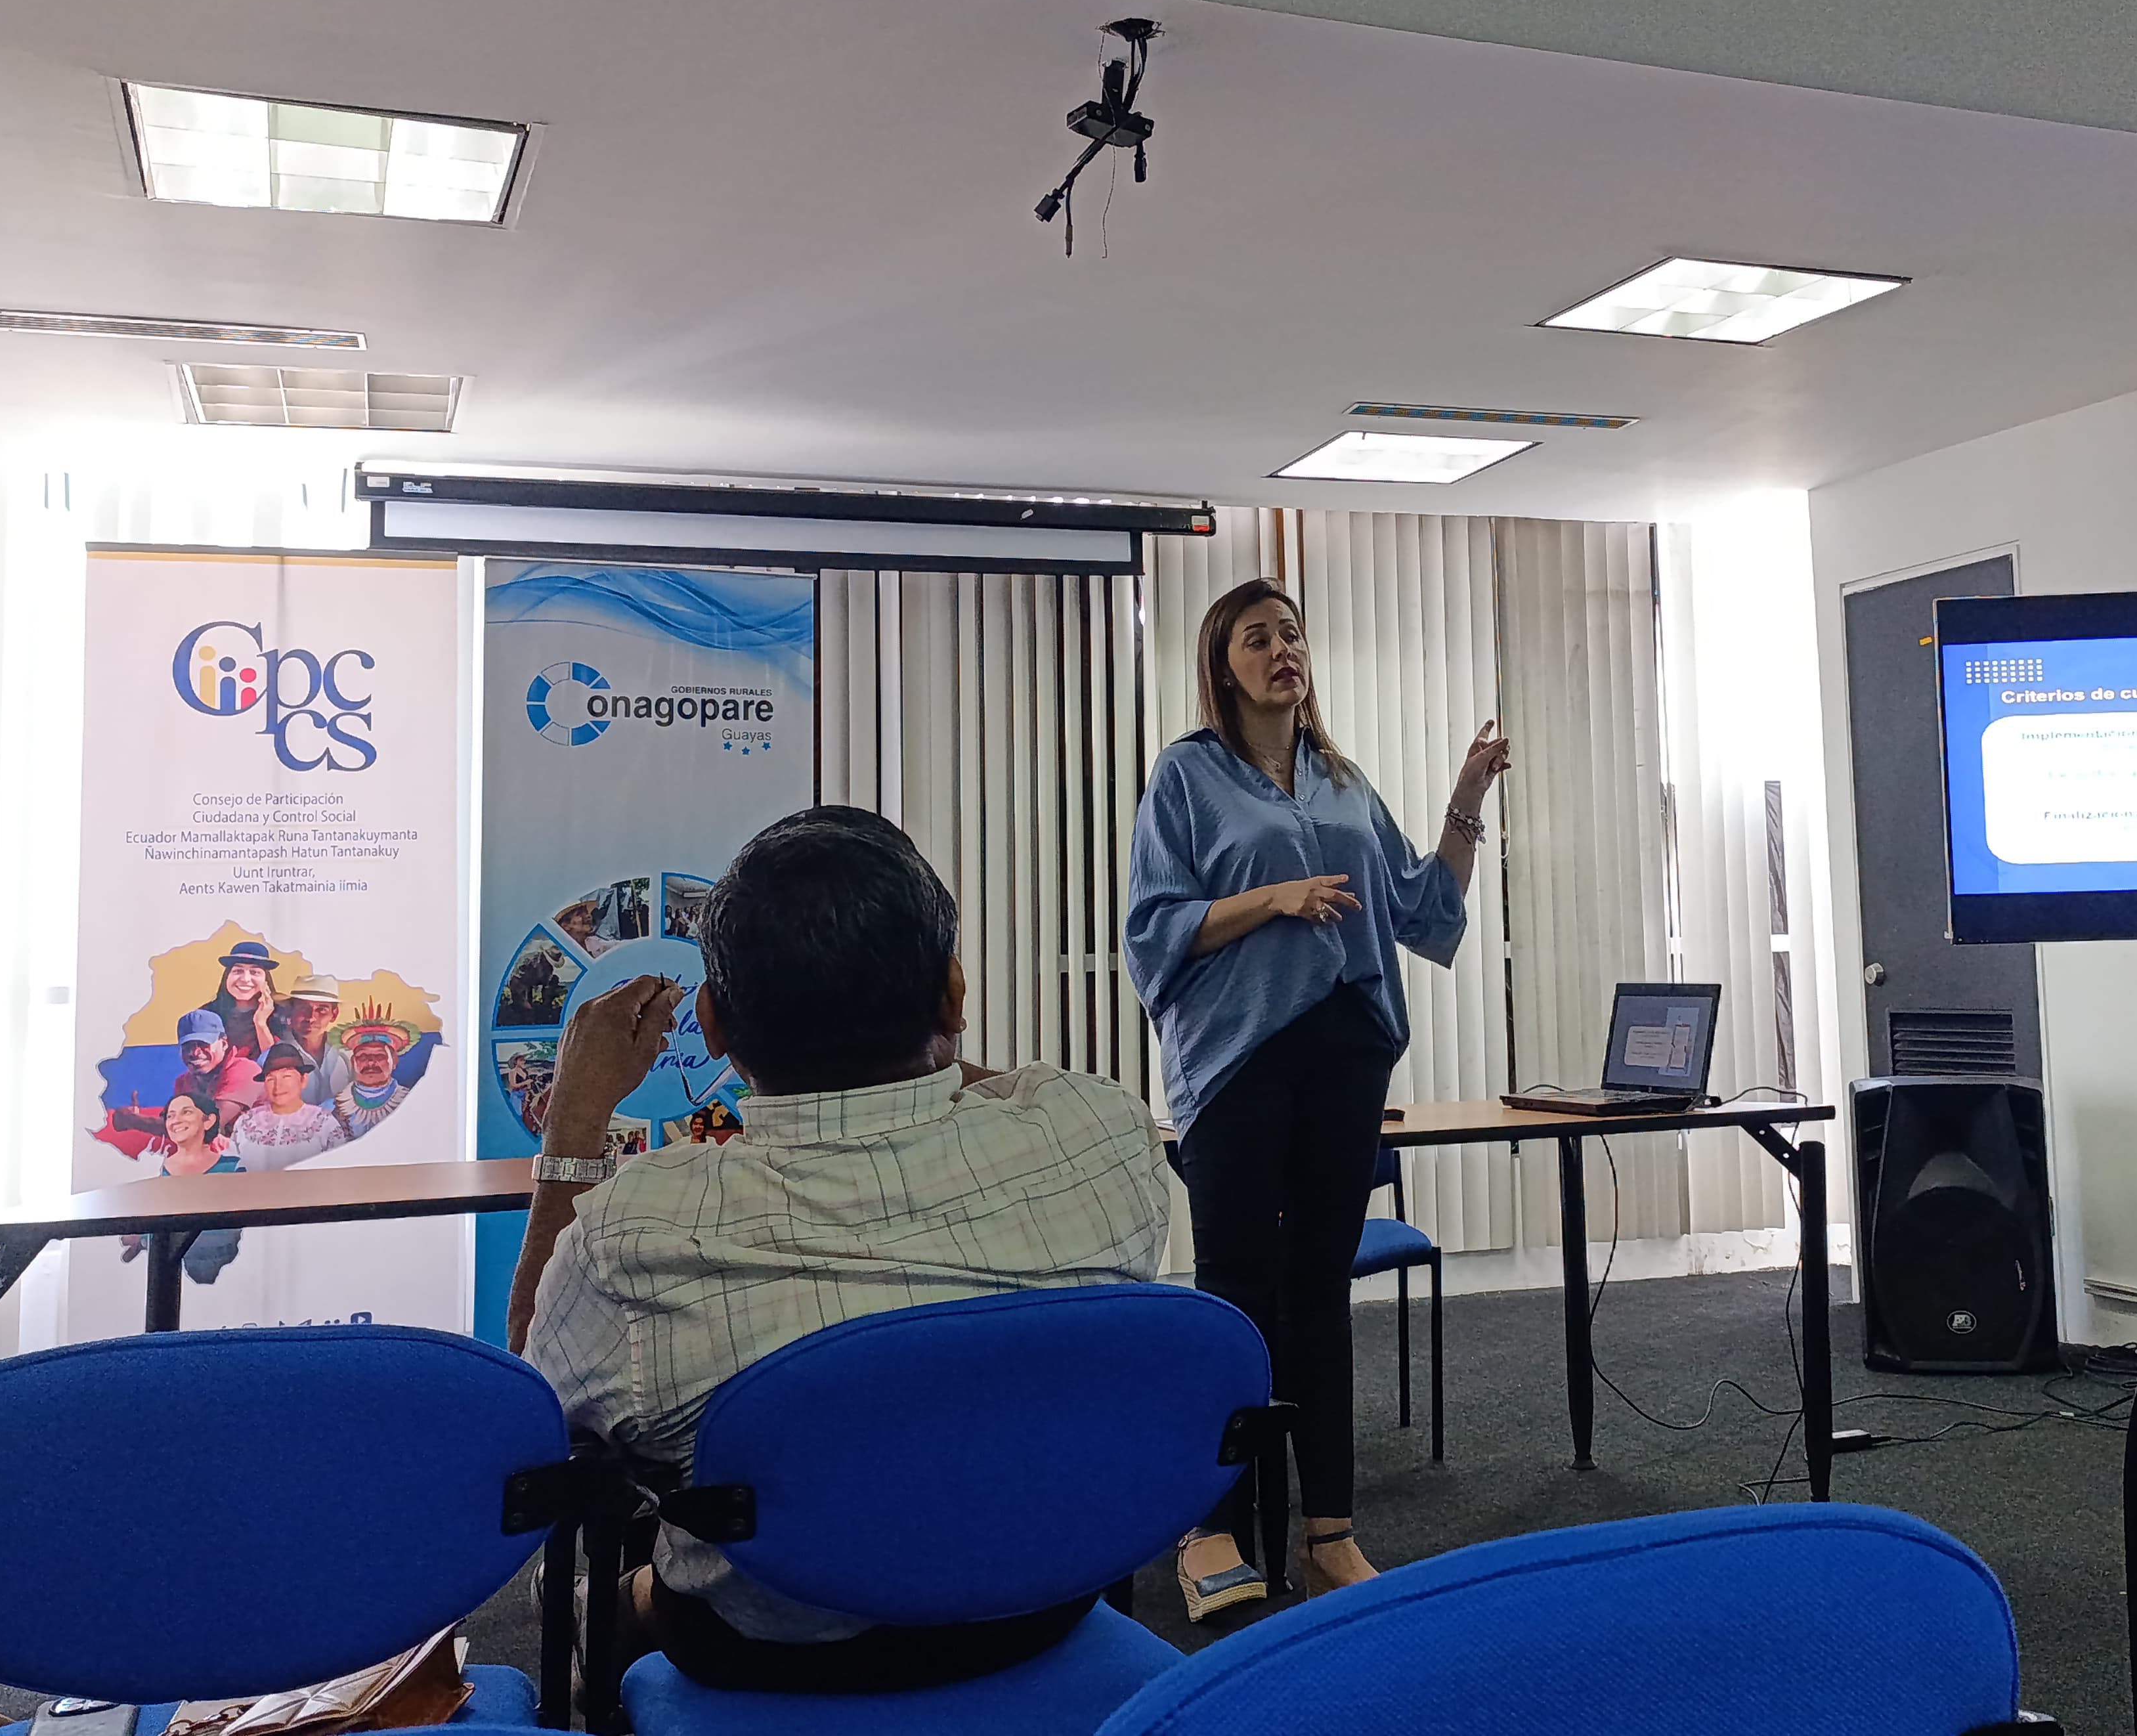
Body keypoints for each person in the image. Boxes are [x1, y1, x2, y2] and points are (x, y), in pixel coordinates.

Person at [513, 806, 1167, 1692]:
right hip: (1043, 1600)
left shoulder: (633, 1234)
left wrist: (576, 1114)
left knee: (640, 1548)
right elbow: (997, 1088)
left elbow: (536, 1405)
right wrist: (907, 1024)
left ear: (713, 1024)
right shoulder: (1104, 1133)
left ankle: (613, 1611)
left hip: (773, 1640)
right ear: (956, 996)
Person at [1125, 578, 1509, 1620]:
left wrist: (1466, 799)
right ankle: (1211, 1530)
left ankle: (1330, 1532)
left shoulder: (1342, 781)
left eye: (1291, 633)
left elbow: (1423, 907)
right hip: (1239, 1063)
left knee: (1319, 1295)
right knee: (1236, 1294)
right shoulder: (1188, 776)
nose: (1281, 650)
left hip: (1347, 1053)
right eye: (1257, 638)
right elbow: (1154, 928)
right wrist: (1272, 899)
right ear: (1225, 667)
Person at [117, 1088, 244, 1284]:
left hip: (231, 1278)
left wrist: (144, 1239)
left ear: (208, 1121)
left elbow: (221, 1232)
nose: (176, 1121)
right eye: (170, 1116)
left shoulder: (233, 1167)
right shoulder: (162, 1168)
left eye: (187, 1112)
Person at [230, 1040, 349, 1171]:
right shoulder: (247, 1122)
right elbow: (233, 1165)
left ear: (303, 1080)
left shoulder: (324, 1121)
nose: (278, 1086)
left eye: (286, 1077)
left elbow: (339, 1167)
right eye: (271, 1079)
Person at [332, 1023, 416, 1140]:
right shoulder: (330, 1109)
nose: (371, 1063)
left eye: (380, 1056)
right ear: (353, 1062)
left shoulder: (412, 1103)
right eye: (363, 1056)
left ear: (394, 1062)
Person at [206, 940, 282, 1060]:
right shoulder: (208, 1015)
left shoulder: (282, 1015)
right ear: (227, 977)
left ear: (266, 980)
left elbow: (275, 1063)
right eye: (238, 971)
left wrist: (261, 1023)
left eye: (255, 972)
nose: (246, 979)